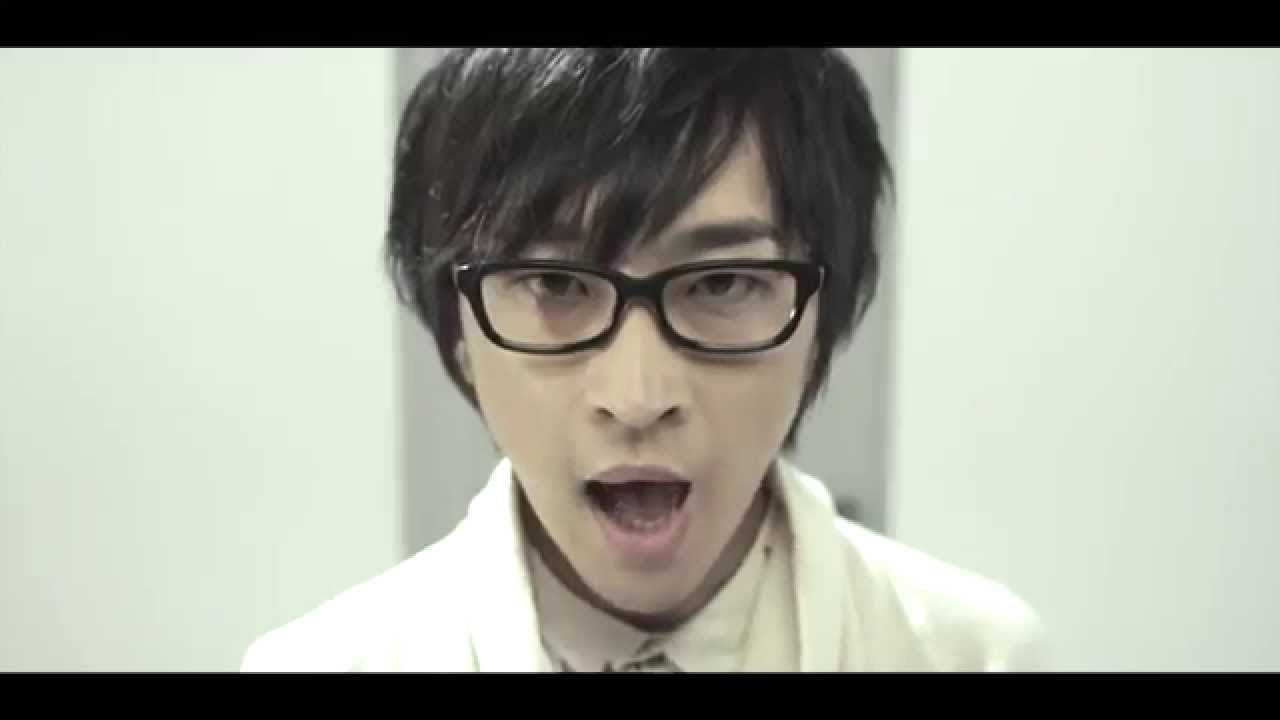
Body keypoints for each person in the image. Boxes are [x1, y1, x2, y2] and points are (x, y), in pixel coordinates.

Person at [240, 48, 1047, 672]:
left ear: (818, 321)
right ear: (458, 331)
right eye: (556, 284)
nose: (638, 395)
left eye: (722, 282)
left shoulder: (974, 655)